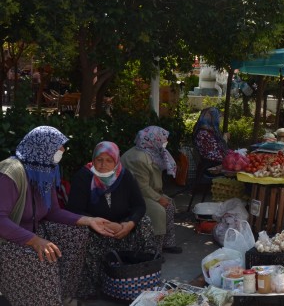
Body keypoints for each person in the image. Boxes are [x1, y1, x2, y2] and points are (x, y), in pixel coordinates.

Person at [0, 126, 113, 306]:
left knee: (78, 235)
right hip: (6, 242)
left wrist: (89, 221)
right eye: (58, 150)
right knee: (44, 255)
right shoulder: (11, 172)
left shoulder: (46, 171)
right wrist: (35, 240)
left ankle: (61, 296)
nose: (62, 153)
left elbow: (53, 211)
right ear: (42, 148)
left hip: (31, 234)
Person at [67, 141, 156, 298]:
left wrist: (129, 223)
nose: (103, 165)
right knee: (78, 232)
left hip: (122, 228)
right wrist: (102, 224)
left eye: (109, 160)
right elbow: (74, 210)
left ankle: (142, 272)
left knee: (145, 222)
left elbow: (139, 206)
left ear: (116, 161)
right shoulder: (83, 177)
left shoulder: (124, 176)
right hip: (95, 228)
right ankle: (94, 285)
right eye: (99, 160)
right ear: (93, 160)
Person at [121, 126, 182, 254]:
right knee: (158, 211)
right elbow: (141, 187)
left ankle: (167, 244)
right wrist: (159, 199)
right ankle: (154, 251)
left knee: (169, 206)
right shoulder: (138, 158)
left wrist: (161, 198)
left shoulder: (150, 151)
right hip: (133, 196)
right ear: (154, 139)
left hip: (147, 192)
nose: (165, 143)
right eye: (163, 140)